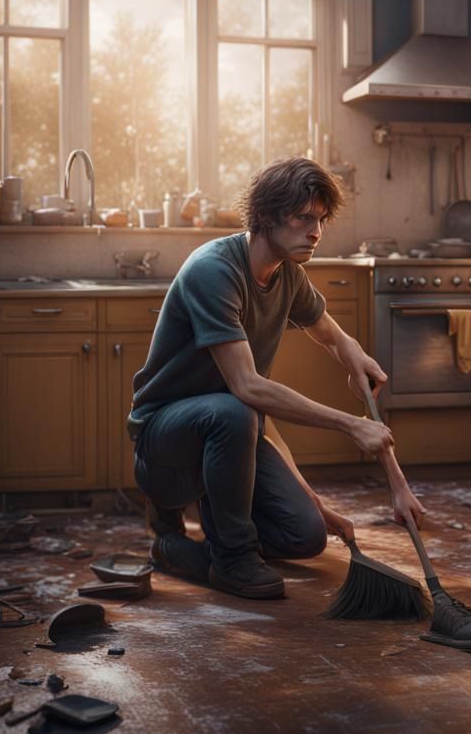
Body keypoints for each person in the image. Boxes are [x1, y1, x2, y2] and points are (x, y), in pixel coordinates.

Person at [128, 157, 425, 600]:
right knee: (233, 410)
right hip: (164, 446)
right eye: (304, 218)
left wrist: (355, 359)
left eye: (321, 219)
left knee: (305, 536)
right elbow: (248, 389)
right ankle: (231, 560)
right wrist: (351, 424)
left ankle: (178, 552)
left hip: (231, 430)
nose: (316, 232)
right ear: (266, 216)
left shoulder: (288, 276)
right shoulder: (215, 270)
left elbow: (331, 335)